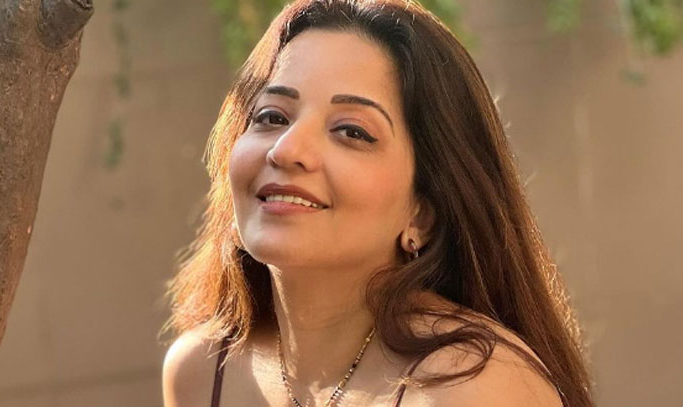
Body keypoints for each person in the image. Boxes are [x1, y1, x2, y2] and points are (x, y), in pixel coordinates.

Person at [161, 0, 594, 406]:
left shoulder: (474, 386)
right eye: (272, 116)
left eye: (352, 131)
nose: (287, 150)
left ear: (423, 213)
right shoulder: (201, 372)